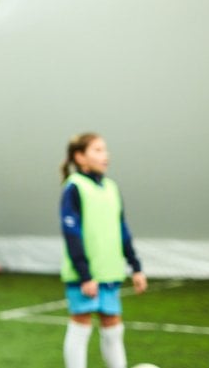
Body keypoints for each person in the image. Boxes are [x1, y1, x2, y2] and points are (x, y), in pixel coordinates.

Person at [59, 132, 147, 368]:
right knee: (81, 325)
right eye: (97, 150)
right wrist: (85, 274)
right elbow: (72, 234)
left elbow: (123, 230)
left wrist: (135, 267)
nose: (105, 155)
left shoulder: (111, 187)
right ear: (80, 157)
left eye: (105, 149)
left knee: (113, 327)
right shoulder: (74, 187)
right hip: (84, 275)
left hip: (110, 271)